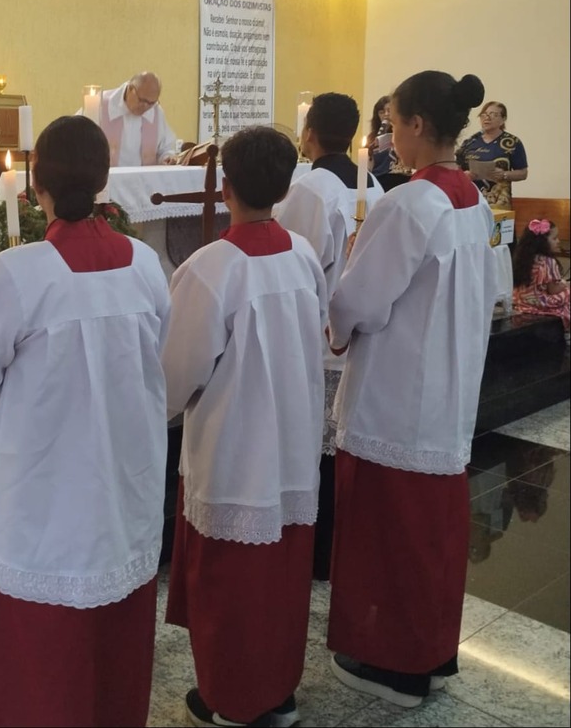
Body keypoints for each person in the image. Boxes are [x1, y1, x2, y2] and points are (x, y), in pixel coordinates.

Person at [0, 115, 171, 727]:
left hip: (45, 503)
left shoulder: (21, 273)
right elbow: (159, 353)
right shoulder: (146, 264)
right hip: (121, 492)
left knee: (41, 666)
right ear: (102, 180)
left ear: (37, 186)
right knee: (112, 651)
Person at [326, 70, 499, 708]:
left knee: (388, 533)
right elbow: (487, 289)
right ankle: (431, 653)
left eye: (392, 123)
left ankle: (393, 666)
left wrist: (338, 316)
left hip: (396, 396)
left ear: (418, 124)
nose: (388, 136)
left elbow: (360, 303)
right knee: (431, 534)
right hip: (449, 390)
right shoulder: (473, 200)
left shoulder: (407, 204)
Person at [163, 126, 328, 728]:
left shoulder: (211, 269)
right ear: (284, 190)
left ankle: (233, 700)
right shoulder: (303, 254)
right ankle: (277, 690)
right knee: (281, 576)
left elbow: (177, 373)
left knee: (230, 582)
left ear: (225, 187)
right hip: (292, 442)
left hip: (234, 447)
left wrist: (159, 407)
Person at [275, 91, 384, 581]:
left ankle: (317, 553)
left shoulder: (311, 189)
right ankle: (337, 549)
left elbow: (292, 262)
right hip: (356, 334)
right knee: (336, 448)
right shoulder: (373, 184)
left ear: (309, 133)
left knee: (315, 450)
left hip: (320, 339)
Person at [80, 71, 178, 167]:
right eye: (142, 100)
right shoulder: (99, 104)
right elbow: (77, 137)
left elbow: (166, 147)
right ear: (130, 89)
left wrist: (167, 158)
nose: (145, 106)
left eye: (151, 103)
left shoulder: (156, 112)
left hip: (144, 177)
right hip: (108, 176)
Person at [455, 100, 529, 210]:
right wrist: (465, 175)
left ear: (503, 119)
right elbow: (456, 169)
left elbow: (523, 173)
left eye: (493, 114)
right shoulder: (470, 142)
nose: (487, 118)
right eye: (484, 114)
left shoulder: (512, 142)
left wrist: (504, 174)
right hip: (471, 204)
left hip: (499, 203)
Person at [512, 218, 570, 340]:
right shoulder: (548, 262)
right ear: (542, 242)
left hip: (523, 302)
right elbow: (553, 290)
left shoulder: (522, 258)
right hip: (541, 303)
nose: (558, 241)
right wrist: (564, 284)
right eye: (554, 238)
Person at [367, 94, 410, 192]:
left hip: (395, 178)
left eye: (389, 111)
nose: (386, 115)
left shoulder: (401, 135)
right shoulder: (372, 137)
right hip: (377, 178)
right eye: (382, 112)